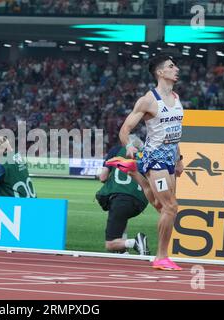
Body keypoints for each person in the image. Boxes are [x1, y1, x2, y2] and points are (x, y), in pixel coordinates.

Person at [111, 54, 184, 271]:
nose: (176, 69)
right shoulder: (148, 100)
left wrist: (179, 159)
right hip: (155, 159)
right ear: (160, 72)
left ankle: (137, 175)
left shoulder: (177, 97)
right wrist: (130, 146)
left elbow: (175, 133)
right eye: (172, 66)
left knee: (162, 207)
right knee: (171, 207)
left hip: (170, 158)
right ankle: (161, 257)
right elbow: (125, 130)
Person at [96, 144, 150, 255]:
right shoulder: (147, 153)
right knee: (121, 218)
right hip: (140, 201)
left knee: (110, 244)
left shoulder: (116, 149)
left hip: (120, 199)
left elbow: (103, 177)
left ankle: (135, 242)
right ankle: (122, 250)